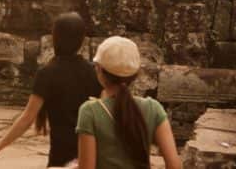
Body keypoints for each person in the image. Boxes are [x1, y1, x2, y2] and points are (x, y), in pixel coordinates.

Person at [0, 13, 101, 167]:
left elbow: (27, 118)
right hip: (92, 152)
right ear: (82, 40)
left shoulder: (47, 73)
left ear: (55, 38)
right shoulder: (94, 72)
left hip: (62, 154)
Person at [76, 36, 181, 169]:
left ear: (99, 70)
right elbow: (174, 165)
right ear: (136, 74)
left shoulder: (89, 111)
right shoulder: (153, 108)